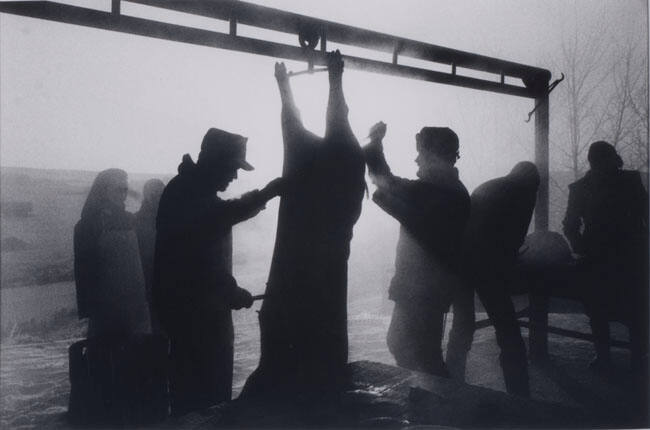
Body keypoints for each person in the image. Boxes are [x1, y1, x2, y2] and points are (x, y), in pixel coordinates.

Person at [242, 51, 366, 399]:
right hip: (326, 281)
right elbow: (336, 121)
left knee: (283, 369)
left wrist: (285, 87)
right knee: (322, 367)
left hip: (290, 276)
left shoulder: (305, 166)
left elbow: (292, 125)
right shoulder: (346, 173)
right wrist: (335, 80)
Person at [153, 129, 284, 416]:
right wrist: (231, 292)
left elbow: (221, 215)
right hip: (196, 319)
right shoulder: (188, 194)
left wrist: (264, 195)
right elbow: (200, 260)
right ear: (215, 160)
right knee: (204, 403)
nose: (235, 176)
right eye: (233, 167)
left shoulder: (189, 189)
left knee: (198, 400)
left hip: (197, 314)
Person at [362, 121, 470, 377]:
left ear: (434, 155)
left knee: (417, 351)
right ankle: (431, 398)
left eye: (421, 152)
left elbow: (386, 183)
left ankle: (437, 403)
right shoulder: (448, 189)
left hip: (422, 288)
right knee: (415, 349)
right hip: (427, 286)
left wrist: (375, 144)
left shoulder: (437, 190)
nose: (416, 159)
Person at [447, 161, 540, 397]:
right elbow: (515, 237)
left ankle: (452, 384)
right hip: (488, 266)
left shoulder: (489, 185)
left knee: (462, 324)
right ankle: (519, 393)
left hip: (461, 261)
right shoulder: (525, 192)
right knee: (507, 329)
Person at [562, 141, 648, 371]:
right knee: (633, 312)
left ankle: (605, 358)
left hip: (600, 258)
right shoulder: (631, 182)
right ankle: (636, 361)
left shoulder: (580, 188)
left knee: (599, 311)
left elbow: (569, 225)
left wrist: (581, 247)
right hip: (629, 256)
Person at [74, 168, 152, 337]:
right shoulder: (88, 226)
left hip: (137, 309)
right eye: (118, 189)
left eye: (125, 189)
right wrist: (92, 310)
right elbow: (84, 272)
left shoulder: (131, 220)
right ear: (104, 190)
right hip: (106, 313)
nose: (123, 194)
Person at [135, 178, 165, 333]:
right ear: (146, 195)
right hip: (147, 288)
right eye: (154, 194)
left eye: (160, 194)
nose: (157, 197)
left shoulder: (170, 221)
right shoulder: (136, 222)